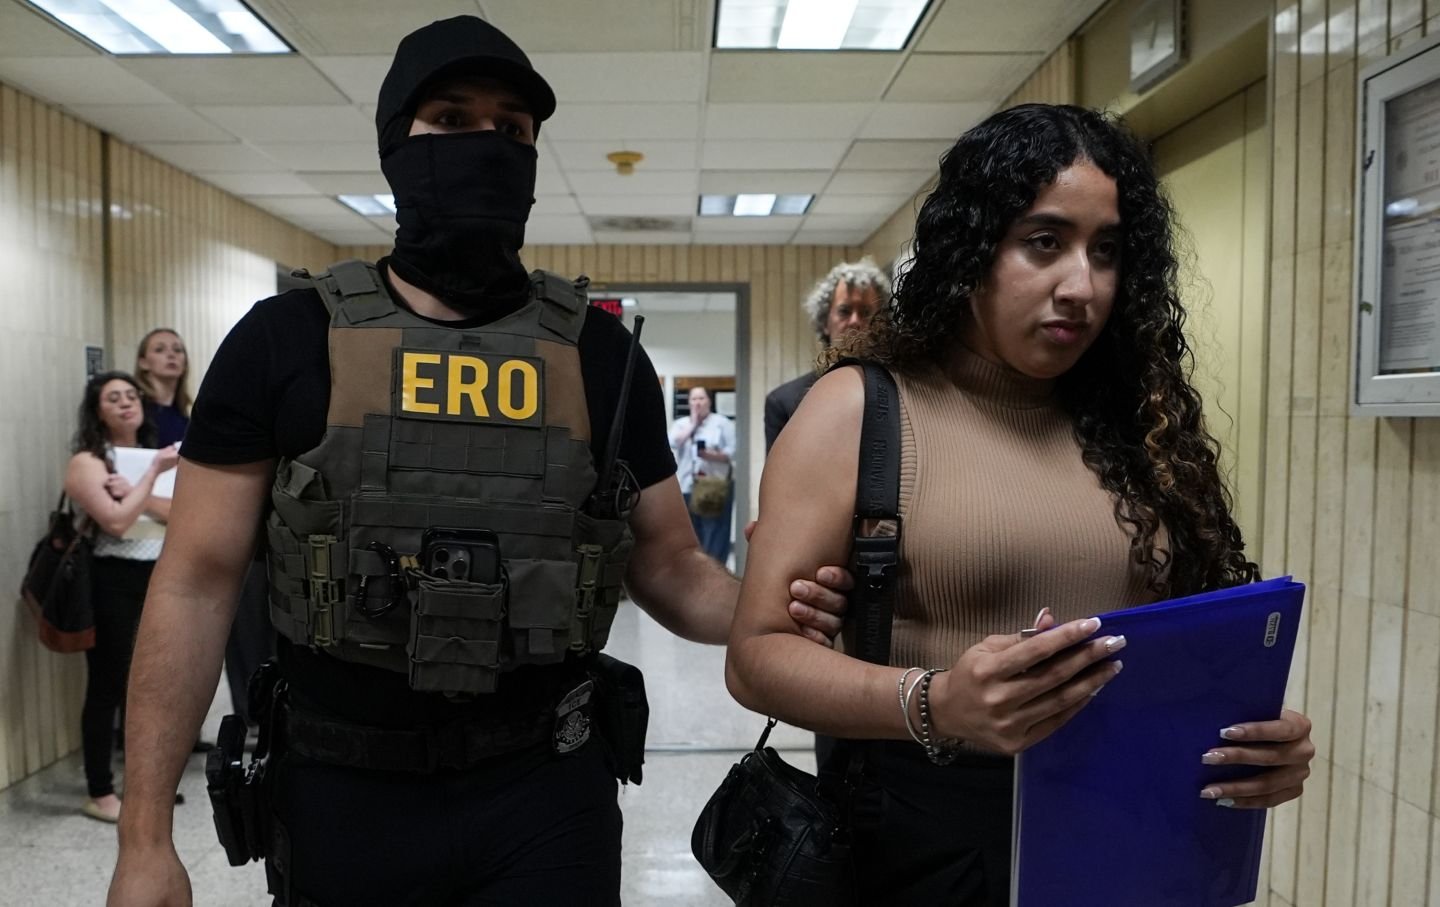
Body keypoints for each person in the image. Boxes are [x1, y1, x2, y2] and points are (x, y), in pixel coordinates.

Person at [107, 16, 849, 907]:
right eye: (450, 120)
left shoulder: (603, 358)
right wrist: (145, 838)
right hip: (344, 794)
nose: (485, 147)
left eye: (511, 130)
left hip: (546, 791)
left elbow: (671, 566)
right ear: (396, 147)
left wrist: (778, 605)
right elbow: (194, 582)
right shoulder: (287, 340)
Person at [725, 104, 1317, 906]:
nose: (1082, 285)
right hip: (930, 844)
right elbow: (756, 655)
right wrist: (934, 701)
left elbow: (1178, 640)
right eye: (1044, 243)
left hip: (1132, 828)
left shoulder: (1138, 424)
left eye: (1105, 251)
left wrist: (1249, 744)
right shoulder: (858, 410)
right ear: (972, 253)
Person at [63, 371, 179, 822]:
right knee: (108, 685)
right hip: (112, 577)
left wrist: (137, 492)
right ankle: (100, 791)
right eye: (114, 398)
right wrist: (151, 479)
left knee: (148, 687)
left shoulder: (156, 454)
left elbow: (179, 513)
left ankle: (144, 790)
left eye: (132, 395)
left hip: (158, 573)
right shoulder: (89, 462)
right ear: (98, 411)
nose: (126, 403)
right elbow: (114, 522)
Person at [763, 258, 889, 452]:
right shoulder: (784, 402)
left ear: (881, 321)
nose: (855, 321)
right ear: (824, 321)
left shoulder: (901, 392)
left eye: (865, 312)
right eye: (844, 311)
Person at [669, 386, 737, 562]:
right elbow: (674, 443)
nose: (697, 403)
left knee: (714, 533)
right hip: (686, 486)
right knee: (690, 533)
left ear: (709, 401)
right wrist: (693, 423)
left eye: (701, 398)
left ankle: (715, 571)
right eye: (693, 399)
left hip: (713, 486)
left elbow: (733, 452)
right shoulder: (682, 424)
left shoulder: (722, 423)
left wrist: (710, 455)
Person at [133, 328, 190, 448]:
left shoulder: (188, 417)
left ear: (185, 364)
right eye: (159, 350)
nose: (171, 355)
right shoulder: (134, 410)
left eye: (177, 350)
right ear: (143, 363)